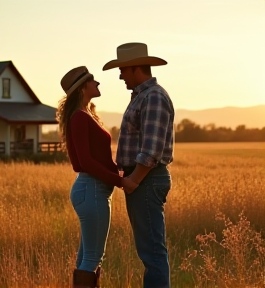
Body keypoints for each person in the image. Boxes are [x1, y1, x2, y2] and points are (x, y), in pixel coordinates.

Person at [56, 66, 138, 288]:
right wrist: (121, 181)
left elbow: (96, 160)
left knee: (87, 257)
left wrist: (120, 172)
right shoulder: (80, 117)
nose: (98, 84)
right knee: (93, 257)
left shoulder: (84, 115)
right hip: (92, 190)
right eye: (93, 81)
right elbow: (85, 162)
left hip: (92, 190)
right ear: (83, 87)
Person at [102, 42, 175, 288]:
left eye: (122, 69)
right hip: (143, 180)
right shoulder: (143, 96)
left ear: (135, 68)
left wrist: (133, 180)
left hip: (146, 179)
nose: (120, 75)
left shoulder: (153, 97)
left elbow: (151, 148)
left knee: (152, 252)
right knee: (150, 250)